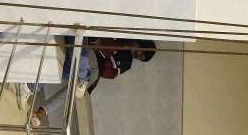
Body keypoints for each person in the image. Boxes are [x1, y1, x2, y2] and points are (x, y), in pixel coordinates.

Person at [28, 37, 157, 126]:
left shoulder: (127, 63)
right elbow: (98, 42)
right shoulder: (124, 36)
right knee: (71, 71)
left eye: (140, 58)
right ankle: (33, 87)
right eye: (141, 53)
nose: (137, 56)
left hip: (95, 70)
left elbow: (108, 73)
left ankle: (40, 113)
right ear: (141, 44)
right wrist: (115, 48)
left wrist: (107, 51)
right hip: (89, 51)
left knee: (76, 89)